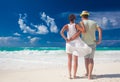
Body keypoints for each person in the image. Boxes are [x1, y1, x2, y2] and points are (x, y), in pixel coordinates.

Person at [71, 11, 102, 79]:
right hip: (92, 43)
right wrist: (99, 40)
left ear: (82, 16)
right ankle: (89, 76)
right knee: (91, 59)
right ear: (87, 16)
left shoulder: (80, 23)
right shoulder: (94, 22)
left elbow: (78, 33)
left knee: (86, 59)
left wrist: (71, 39)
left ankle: (87, 72)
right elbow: (100, 29)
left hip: (84, 44)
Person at [60, 14, 92, 79]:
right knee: (75, 60)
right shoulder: (76, 25)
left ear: (69, 19)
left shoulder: (66, 26)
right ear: (74, 19)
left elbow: (61, 32)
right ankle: (74, 75)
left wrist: (66, 38)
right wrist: (82, 24)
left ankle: (69, 75)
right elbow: (84, 31)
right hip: (76, 44)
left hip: (69, 44)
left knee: (69, 60)